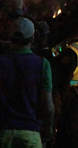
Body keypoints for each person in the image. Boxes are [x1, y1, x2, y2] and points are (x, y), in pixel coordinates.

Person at [0, 18, 54, 148]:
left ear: (10, 37)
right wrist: (48, 129)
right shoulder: (42, 65)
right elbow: (48, 106)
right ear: (33, 38)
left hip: (3, 131)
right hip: (30, 132)